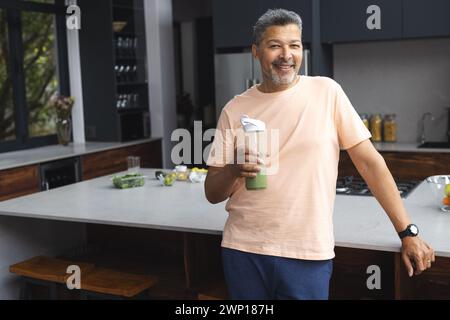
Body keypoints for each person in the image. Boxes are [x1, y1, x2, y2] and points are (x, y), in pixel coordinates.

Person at [204, 8, 434, 300]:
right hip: (243, 250)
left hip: (307, 252)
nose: (286, 55)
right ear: (256, 51)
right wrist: (233, 169)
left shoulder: (327, 92)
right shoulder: (234, 109)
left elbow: (370, 164)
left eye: (295, 45)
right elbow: (212, 191)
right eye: (275, 45)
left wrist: (408, 232)